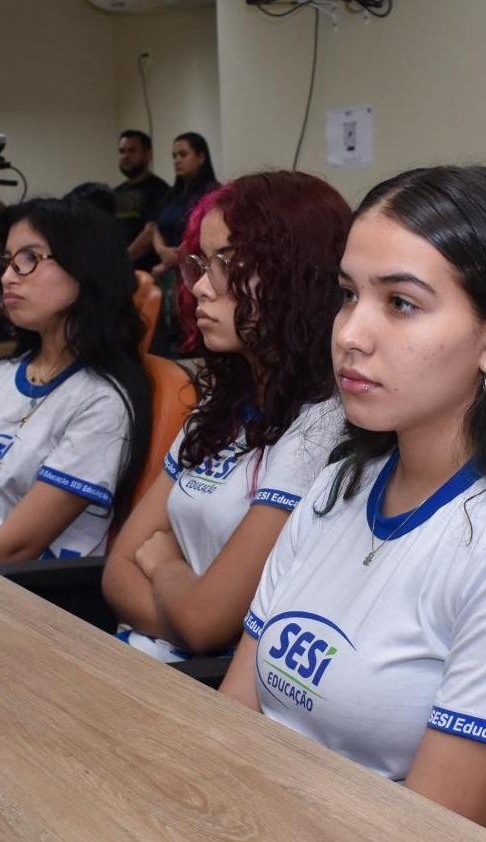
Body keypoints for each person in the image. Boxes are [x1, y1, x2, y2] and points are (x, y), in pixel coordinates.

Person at [218, 166, 486, 840]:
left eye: (400, 303)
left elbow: (424, 831)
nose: (350, 334)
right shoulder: (339, 485)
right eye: (348, 295)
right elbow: (230, 727)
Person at [102, 171, 349, 662]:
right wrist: (187, 606)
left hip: (198, 685)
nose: (200, 288)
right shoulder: (223, 406)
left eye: (230, 263)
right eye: (200, 263)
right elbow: (117, 571)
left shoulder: (322, 424)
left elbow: (207, 624)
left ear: (297, 276)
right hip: (140, 658)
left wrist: (166, 564)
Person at [0, 197, 151, 565]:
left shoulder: (102, 401)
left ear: (86, 267)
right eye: (6, 261)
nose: (7, 277)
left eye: (29, 258)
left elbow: (17, 546)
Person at [150, 132, 219, 277]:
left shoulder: (212, 193)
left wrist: (172, 261)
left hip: (197, 269)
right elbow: (155, 226)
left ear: (201, 157)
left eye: (183, 154)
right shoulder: (171, 195)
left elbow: (204, 235)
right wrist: (161, 250)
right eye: (174, 156)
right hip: (168, 270)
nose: (177, 160)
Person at [114, 129, 169, 273]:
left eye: (132, 151)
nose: (125, 156)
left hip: (146, 274)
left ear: (148, 154)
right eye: (122, 151)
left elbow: (150, 233)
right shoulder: (116, 192)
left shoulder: (160, 190)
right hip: (119, 273)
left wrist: (121, 261)